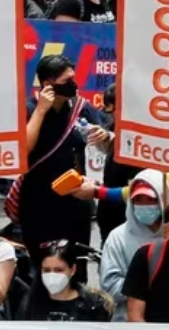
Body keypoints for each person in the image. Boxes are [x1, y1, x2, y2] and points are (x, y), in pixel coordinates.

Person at [18, 54, 103, 271]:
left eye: (74, 79)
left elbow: (103, 142)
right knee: (44, 269)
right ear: (48, 84)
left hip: (75, 203)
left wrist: (104, 136)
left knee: (76, 268)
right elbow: (23, 149)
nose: (73, 85)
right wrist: (40, 111)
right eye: (67, 81)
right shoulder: (28, 109)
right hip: (38, 205)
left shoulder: (80, 107)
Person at [101, 170, 168, 317]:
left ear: (163, 199)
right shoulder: (118, 237)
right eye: (138, 200)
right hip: (127, 320)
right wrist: (152, 284)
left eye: (150, 200)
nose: (144, 205)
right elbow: (110, 287)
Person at [23, 239, 114, 321]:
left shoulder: (93, 305)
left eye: (59, 270)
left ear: (73, 269)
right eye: (46, 270)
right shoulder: (29, 304)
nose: (52, 275)